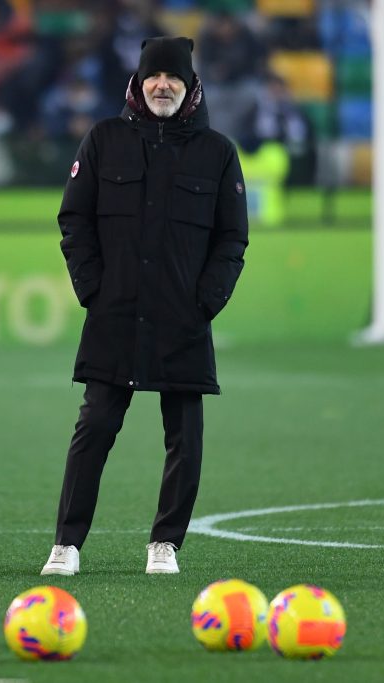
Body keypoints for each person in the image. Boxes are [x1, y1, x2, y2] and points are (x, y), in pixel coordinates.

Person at [41, 37, 249, 576]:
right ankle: (66, 544)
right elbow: (74, 219)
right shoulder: (103, 139)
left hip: (184, 318)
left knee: (186, 434)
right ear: (137, 82)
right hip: (115, 314)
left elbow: (233, 238)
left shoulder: (219, 152)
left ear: (189, 87)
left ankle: (166, 544)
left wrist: (207, 301)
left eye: (173, 79)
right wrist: (92, 288)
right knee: (95, 428)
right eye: (154, 77)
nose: (163, 86)